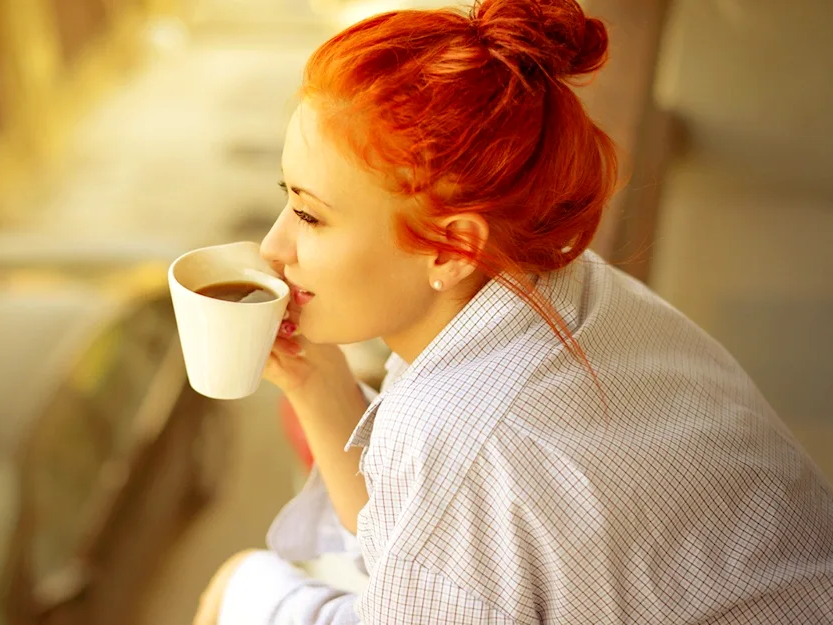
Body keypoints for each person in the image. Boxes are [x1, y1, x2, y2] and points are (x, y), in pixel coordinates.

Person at [193, 0, 833, 623]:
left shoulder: (456, 447)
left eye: (309, 215)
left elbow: (449, 503)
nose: (274, 248)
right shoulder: (578, 290)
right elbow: (428, 536)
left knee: (237, 586)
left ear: (452, 249)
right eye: (287, 197)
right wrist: (314, 378)